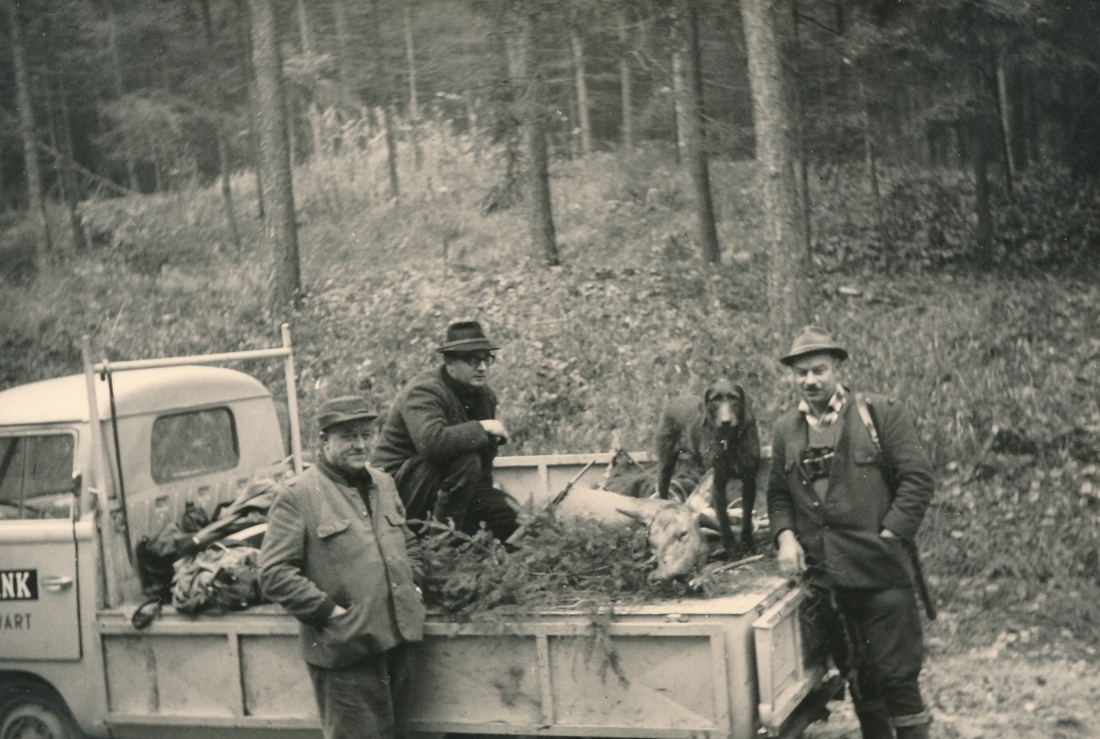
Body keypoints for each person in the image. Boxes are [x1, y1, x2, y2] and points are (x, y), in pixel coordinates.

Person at [767, 326, 935, 739]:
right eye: (801, 372)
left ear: (838, 368)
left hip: (881, 575)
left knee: (899, 680)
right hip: (828, 584)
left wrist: (891, 534)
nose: (810, 380)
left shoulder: (878, 413)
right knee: (860, 679)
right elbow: (777, 495)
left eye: (819, 369)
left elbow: (917, 479)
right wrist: (786, 536)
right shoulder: (785, 430)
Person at [260, 396, 425, 739]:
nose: (361, 444)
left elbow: (406, 540)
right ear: (324, 441)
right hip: (345, 655)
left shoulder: (383, 482)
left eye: (367, 434)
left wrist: (415, 582)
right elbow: (274, 573)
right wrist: (330, 612)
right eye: (349, 436)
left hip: (399, 642)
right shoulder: (297, 494)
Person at [372, 320, 518, 541]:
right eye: (473, 360)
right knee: (465, 460)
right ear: (450, 362)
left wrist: (489, 503)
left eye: (487, 359)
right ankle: (439, 548)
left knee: (507, 515)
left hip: (448, 487)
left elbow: (484, 463)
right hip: (396, 493)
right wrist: (482, 427)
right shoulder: (425, 391)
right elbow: (432, 444)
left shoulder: (484, 396)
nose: (482, 367)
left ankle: (460, 544)